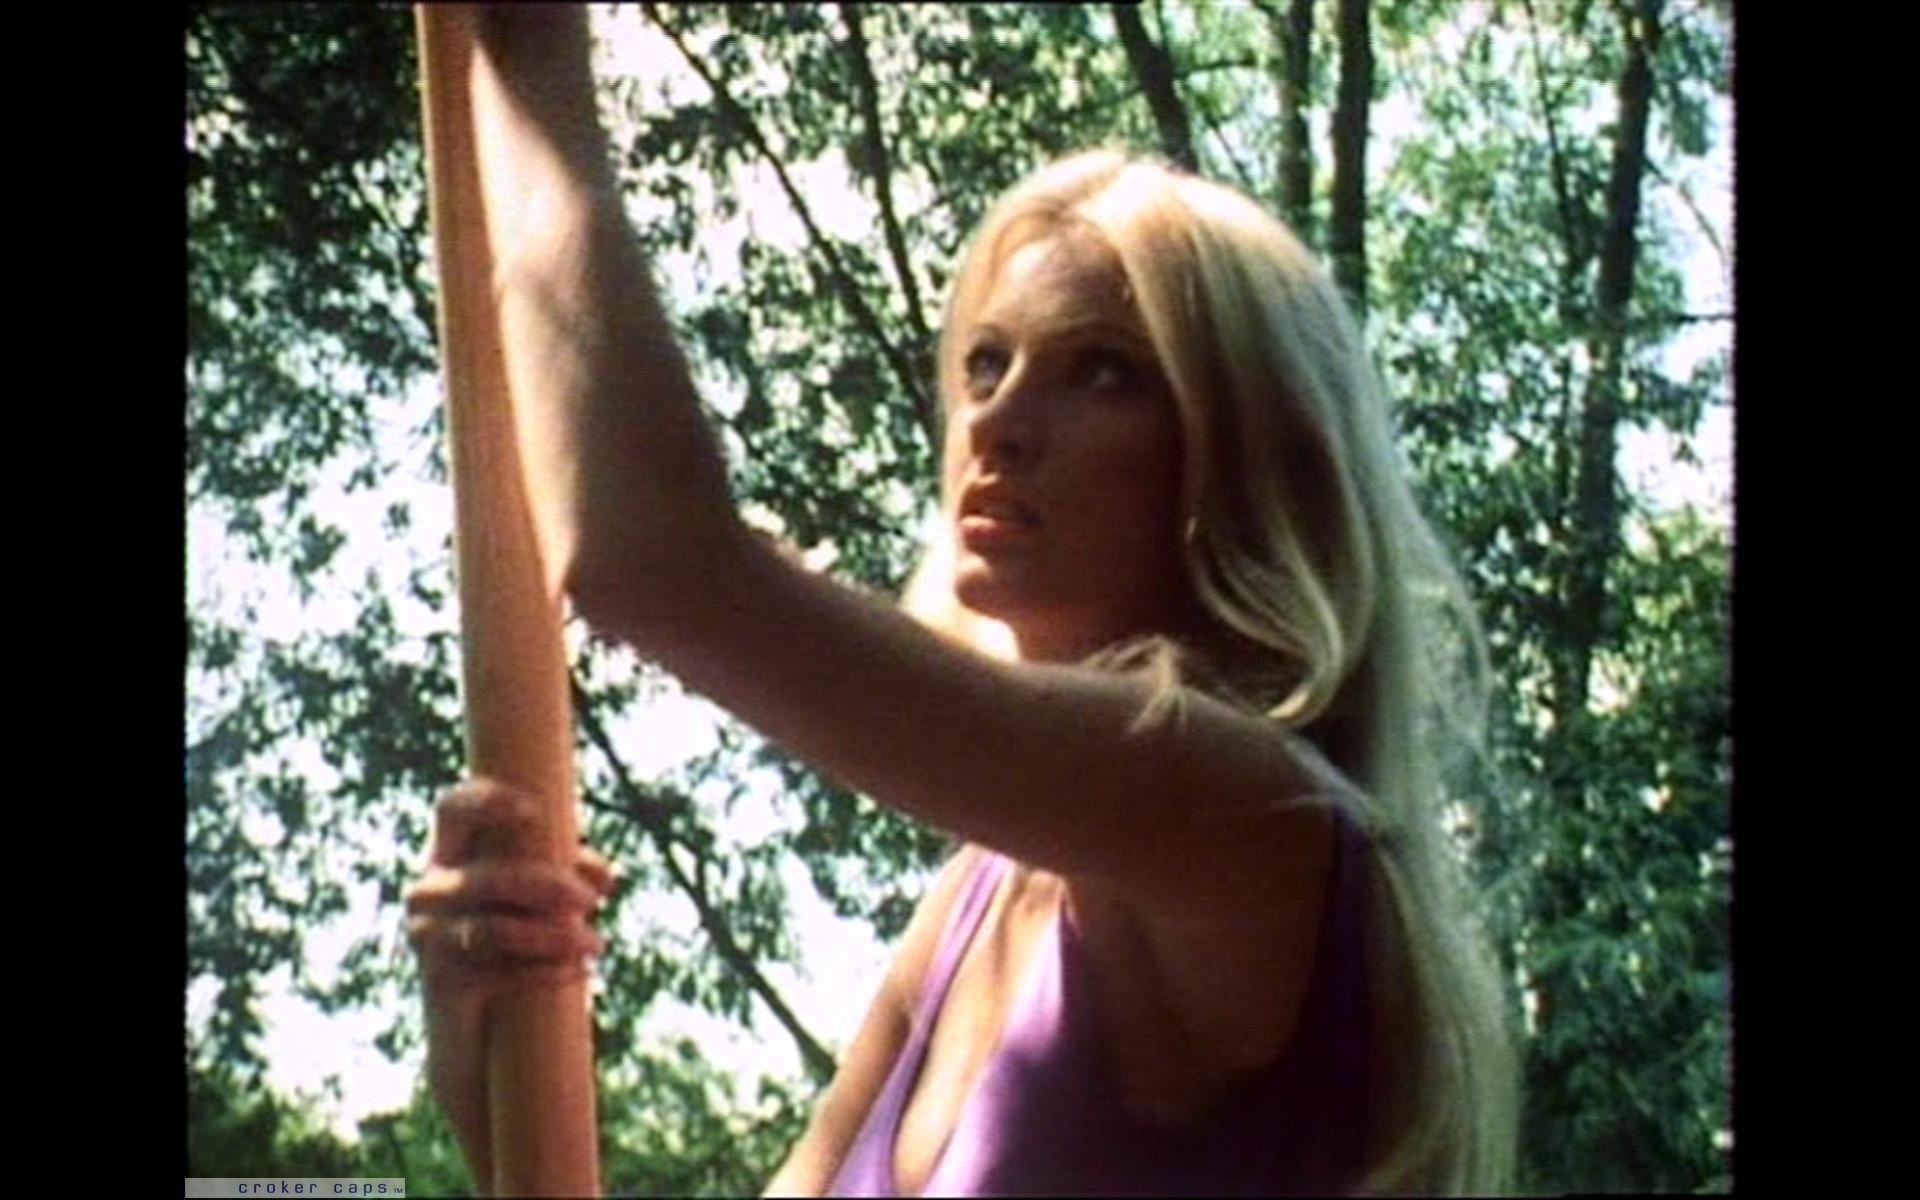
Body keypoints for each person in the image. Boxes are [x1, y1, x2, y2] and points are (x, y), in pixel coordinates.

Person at [404, 6, 1519, 1195]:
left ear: (1242, 453)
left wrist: (531, 61)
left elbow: (657, 564)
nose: (997, 422)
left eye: (1103, 370)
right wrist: (485, 1051)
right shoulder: (980, 897)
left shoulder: (1246, 810)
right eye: (987, 364)